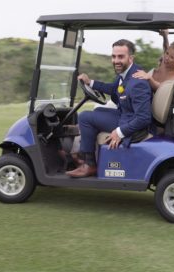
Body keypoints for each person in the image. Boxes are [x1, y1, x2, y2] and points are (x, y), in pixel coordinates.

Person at [65, 39, 152, 178]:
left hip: (132, 124)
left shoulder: (137, 83)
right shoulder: (126, 74)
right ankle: (84, 154)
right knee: (97, 112)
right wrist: (90, 83)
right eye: (114, 56)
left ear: (131, 58)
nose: (116, 60)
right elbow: (114, 89)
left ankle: (89, 164)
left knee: (85, 117)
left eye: (121, 57)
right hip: (126, 115)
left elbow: (144, 117)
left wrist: (120, 132)